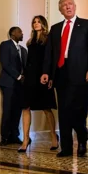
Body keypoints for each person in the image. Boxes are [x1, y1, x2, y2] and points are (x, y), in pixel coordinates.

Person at [41, 0, 88, 157]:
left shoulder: (86, 24)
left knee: (78, 111)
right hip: (61, 73)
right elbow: (49, 53)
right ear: (60, 10)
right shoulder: (55, 28)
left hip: (81, 74)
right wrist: (46, 72)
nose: (67, 7)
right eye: (64, 5)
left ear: (75, 6)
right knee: (64, 111)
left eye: (70, 4)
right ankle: (65, 147)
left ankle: (82, 140)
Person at [19, 16, 58, 152]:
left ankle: (54, 137)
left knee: (46, 108)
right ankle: (25, 140)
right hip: (30, 77)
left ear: (43, 24)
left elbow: (52, 59)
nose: (36, 24)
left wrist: (51, 77)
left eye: (38, 22)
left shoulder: (48, 39)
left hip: (43, 76)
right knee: (25, 107)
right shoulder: (30, 42)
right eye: (34, 22)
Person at [0, 27, 27, 146]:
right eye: (20, 31)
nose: (22, 33)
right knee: (7, 110)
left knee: (17, 111)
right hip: (8, 83)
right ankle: (5, 137)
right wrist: (18, 76)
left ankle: (15, 135)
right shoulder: (5, 45)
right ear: (13, 33)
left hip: (20, 86)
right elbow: (5, 63)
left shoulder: (23, 50)